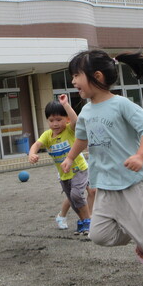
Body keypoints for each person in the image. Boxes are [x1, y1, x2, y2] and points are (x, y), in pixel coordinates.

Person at [60, 50, 143, 286]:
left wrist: (141, 155)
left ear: (97, 76)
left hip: (131, 182)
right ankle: (140, 240)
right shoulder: (86, 112)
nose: (73, 82)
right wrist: (70, 157)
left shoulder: (122, 104)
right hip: (103, 184)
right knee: (98, 235)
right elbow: (81, 137)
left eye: (76, 76)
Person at [29, 94, 92, 235]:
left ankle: (89, 221)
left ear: (66, 119)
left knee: (77, 195)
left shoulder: (69, 129)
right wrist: (32, 153)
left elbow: (76, 120)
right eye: (51, 120)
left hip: (78, 169)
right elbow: (36, 144)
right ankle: (83, 222)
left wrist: (65, 105)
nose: (55, 124)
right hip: (64, 174)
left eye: (59, 119)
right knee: (73, 200)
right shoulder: (47, 135)